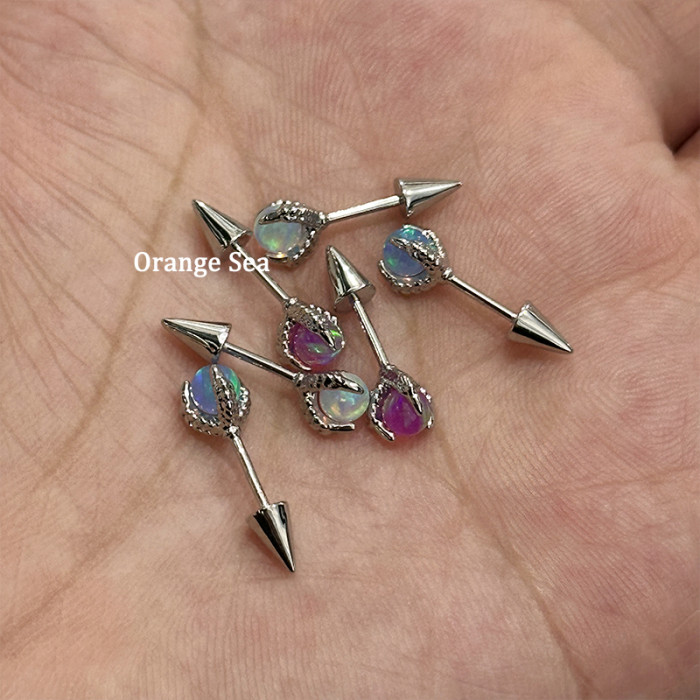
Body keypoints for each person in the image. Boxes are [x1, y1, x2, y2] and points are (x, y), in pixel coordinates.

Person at [0, 0, 697, 697]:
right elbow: (302, 319)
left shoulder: (346, 302)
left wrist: (333, 360)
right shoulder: (291, 326)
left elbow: (326, 316)